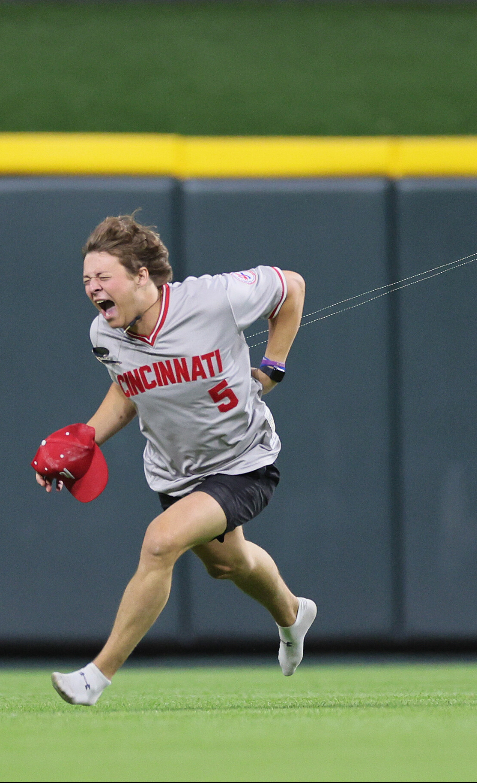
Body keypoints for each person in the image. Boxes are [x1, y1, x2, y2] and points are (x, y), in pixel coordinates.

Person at [36, 214, 315, 706]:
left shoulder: (213, 298)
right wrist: (85, 440)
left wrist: (273, 365)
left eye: (103, 277)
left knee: (160, 541)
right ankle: (293, 615)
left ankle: (95, 678)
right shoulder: (105, 335)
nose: (93, 289)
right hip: (175, 472)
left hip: (243, 459)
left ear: (142, 274)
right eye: (86, 280)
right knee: (230, 565)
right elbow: (129, 392)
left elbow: (290, 287)